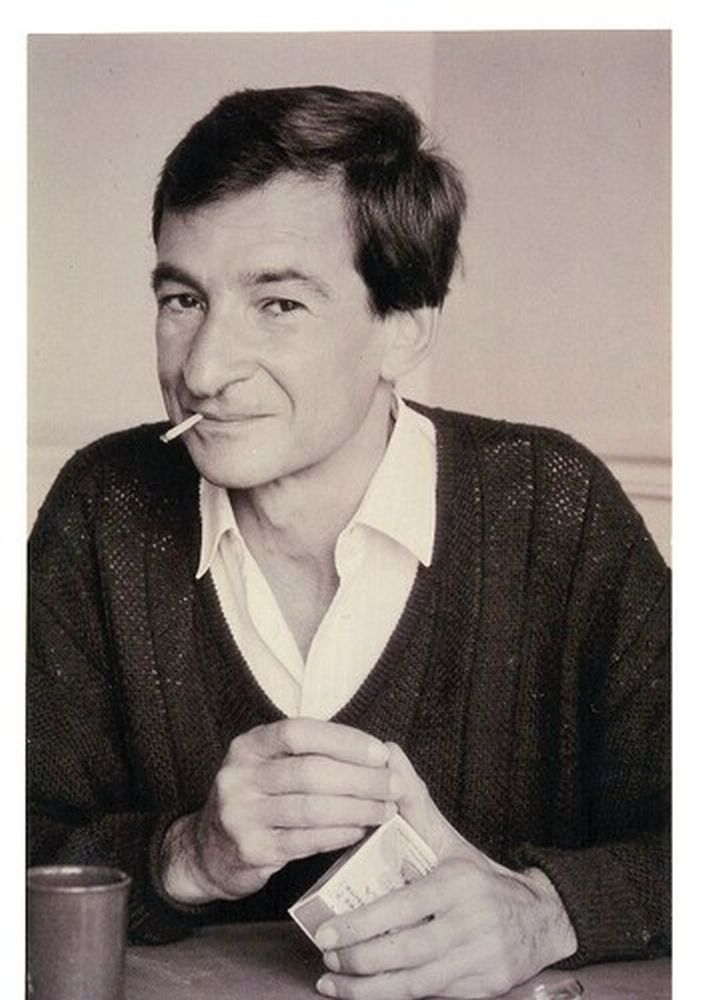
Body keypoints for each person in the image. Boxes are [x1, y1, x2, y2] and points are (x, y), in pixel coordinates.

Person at [28, 85, 670, 999]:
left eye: (279, 304)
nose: (202, 370)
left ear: (404, 329)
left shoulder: (551, 511)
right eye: (182, 299)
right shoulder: (104, 509)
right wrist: (185, 856)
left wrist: (547, 910)